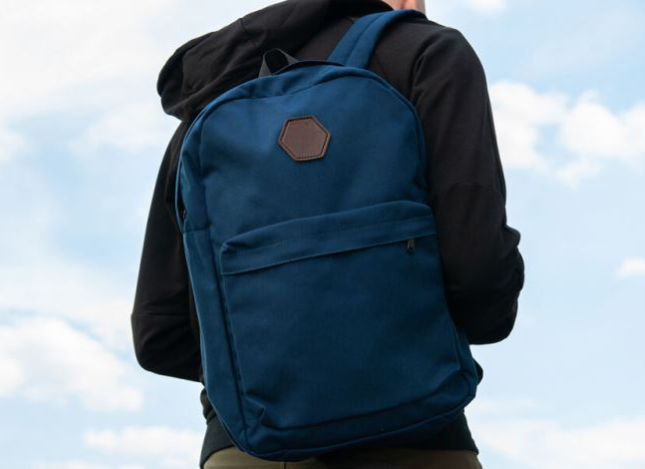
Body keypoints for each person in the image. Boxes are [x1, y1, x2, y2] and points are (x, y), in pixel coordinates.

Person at [131, 0, 525, 467]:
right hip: (416, 431)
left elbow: (158, 332)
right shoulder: (427, 52)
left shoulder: (211, 89)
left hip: (247, 444)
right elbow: (478, 267)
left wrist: (261, 373)